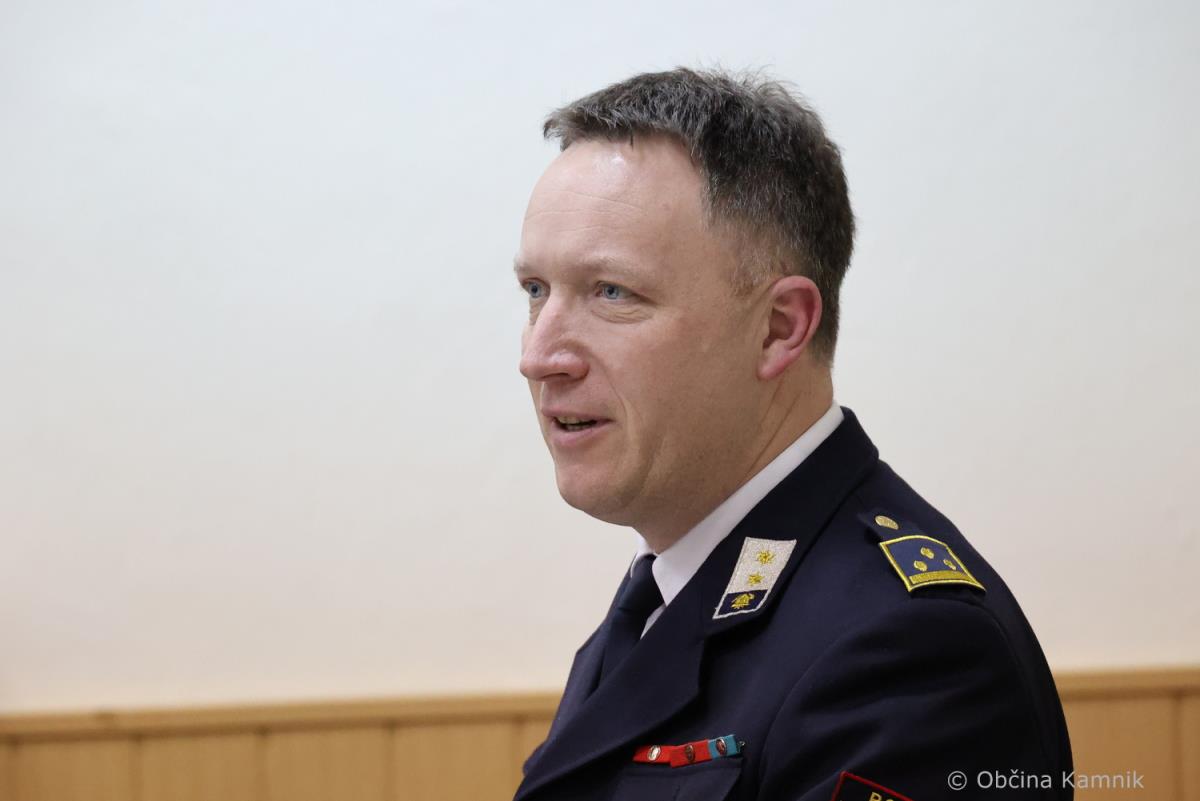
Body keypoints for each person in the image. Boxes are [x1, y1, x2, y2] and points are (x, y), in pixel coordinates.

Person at [511, 67, 1072, 801]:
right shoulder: (671, 587)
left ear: (778, 329)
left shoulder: (909, 651)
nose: (539, 356)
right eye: (536, 290)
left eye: (612, 292)